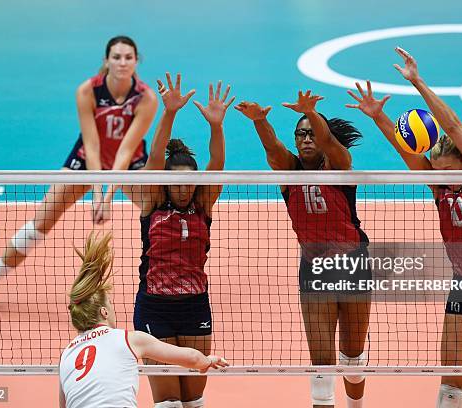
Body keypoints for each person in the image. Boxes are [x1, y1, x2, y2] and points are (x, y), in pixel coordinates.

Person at [346, 47, 462, 408]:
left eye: (449, 171)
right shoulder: (440, 188)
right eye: (436, 172)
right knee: (451, 386)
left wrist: (418, 82)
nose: (441, 179)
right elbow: (407, 153)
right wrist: (379, 118)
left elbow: (454, 127)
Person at [0, 35, 158, 314]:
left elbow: (125, 151)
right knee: (40, 222)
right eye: (116, 57)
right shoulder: (87, 91)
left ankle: (173, 284)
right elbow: (92, 145)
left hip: (129, 165)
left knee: (161, 214)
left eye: (128, 57)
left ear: (137, 61)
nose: (122, 63)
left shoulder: (146, 99)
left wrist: (107, 198)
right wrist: (96, 195)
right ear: (106, 60)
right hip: (86, 160)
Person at [235, 92, 371, 408]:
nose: (307, 139)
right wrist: (260, 120)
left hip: (354, 265)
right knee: (321, 366)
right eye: (301, 133)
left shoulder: (339, 166)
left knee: (353, 360)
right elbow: (273, 149)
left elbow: (335, 150)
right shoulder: (289, 172)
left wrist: (313, 114)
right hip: (315, 270)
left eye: (313, 133)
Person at [127, 72, 233, 408]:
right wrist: (169, 112)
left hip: (194, 306)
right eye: (178, 183)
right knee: (168, 402)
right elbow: (155, 157)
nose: (184, 188)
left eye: (190, 182)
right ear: (166, 183)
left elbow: (217, 163)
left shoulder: (204, 203)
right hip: (154, 307)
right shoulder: (153, 202)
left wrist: (216, 126)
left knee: (193, 401)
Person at [59, 232, 228, 408]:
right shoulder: (127, 338)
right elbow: (192, 357)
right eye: (110, 304)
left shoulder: (66, 354)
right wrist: (208, 361)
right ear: (104, 312)